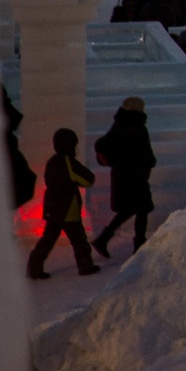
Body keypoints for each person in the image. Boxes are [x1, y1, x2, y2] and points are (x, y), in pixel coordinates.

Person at [27, 128, 100, 279]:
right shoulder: (68, 161)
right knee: (79, 240)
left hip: (52, 207)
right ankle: (85, 266)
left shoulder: (52, 161)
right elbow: (87, 179)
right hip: (68, 208)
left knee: (48, 239)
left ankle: (34, 268)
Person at [91, 97, 156, 257]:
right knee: (141, 208)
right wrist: (150, 163)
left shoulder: (118, 125)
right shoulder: (138, 127)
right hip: (136, 175)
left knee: (130, 208)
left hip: (122, 175)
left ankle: (104, 238)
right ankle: (139, 244)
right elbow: (145, 153)